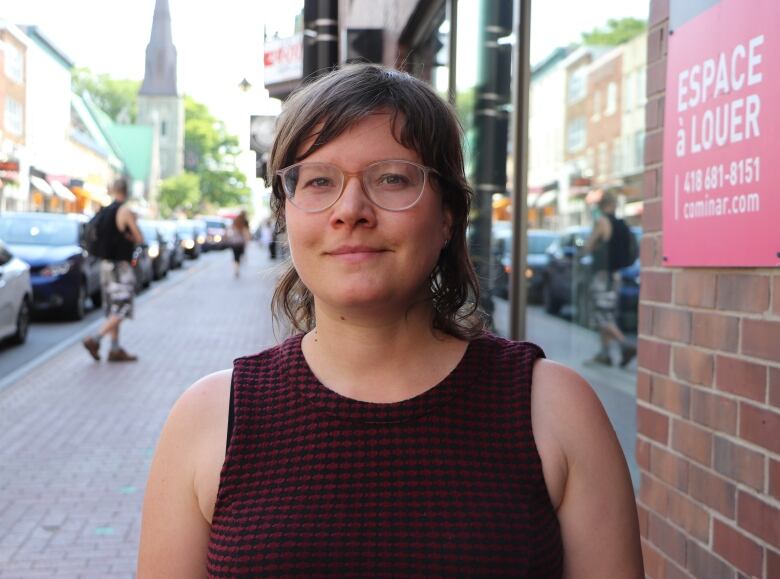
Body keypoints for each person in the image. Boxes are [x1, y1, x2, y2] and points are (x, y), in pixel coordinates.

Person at [137, 64, 643, 577]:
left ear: (447, 215)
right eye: (317, 181)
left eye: (392, 178)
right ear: (285, 215)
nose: (350, 209)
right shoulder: (210, 419)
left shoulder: (553, 409)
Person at [82, 177, 143, 362]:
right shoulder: (124, 211)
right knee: (123, 307)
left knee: (113, 308)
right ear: (126, 191)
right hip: (120, 267)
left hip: (105, 266)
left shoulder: (105, 211)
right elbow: (139, 237)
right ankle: (95, 339)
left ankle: (115, 349)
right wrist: (131, 232)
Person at [583, 190, 637, 368]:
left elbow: (588, 246)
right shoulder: (622, 224)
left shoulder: (602, 222)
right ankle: (604, 354)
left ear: (601, 205)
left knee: (600, 315)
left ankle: (625, 345)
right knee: (608, 313)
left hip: (602, 274)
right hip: (616, 275)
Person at [227, 210, 251, 278]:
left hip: (234, 242)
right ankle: (237, 267)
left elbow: (230, 230)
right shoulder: (245, 222)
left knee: (235, 257)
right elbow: (246, 233)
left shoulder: (235, 221)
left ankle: (236, 269)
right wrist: (247, 241)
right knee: (239, 256)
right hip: (240, 243)